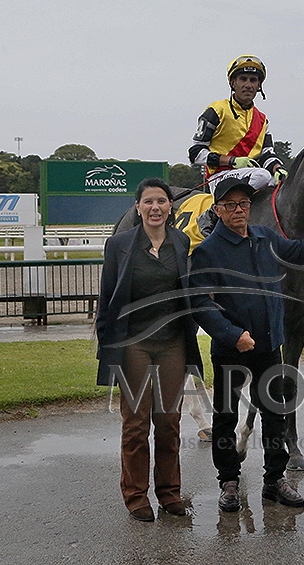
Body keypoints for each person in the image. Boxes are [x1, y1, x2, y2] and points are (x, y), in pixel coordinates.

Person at [189, 175, 304, 512]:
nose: (239, 210)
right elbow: (200, 304)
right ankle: (229, 482)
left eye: (243, 204)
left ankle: (274, 480)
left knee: (274, 415)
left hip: (269, 344)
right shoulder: (208, 251)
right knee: (226, 417)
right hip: (232, 348)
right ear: (218, 210)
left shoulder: (265, 236)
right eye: (230, 205)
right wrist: (233, 335)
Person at [95, 178, 203, 523]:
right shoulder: (119, 245)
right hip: (134, 344)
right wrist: (107, 345)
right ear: (138, 207)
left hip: (172, 342)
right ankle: (136, 496)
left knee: (169, 421)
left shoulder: (181, 241)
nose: (155, 207)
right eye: (148, 202)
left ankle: (170, 493)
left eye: (161, 201)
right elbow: (107, 299)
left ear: (170, 207)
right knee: (136, 423)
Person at [188, 54, 287, 234]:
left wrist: (278, 169)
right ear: (233, 83)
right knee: (263, 176)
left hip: (251, 176)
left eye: (253, 80)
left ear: (259, 86)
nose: (248, 85)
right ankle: (211, 215)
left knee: (279, 182)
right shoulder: (216, 110)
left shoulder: (262, 119)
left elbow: (267, 155)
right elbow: (195, 153)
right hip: (220, 177)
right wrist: (232, 161)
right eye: (243, 79)